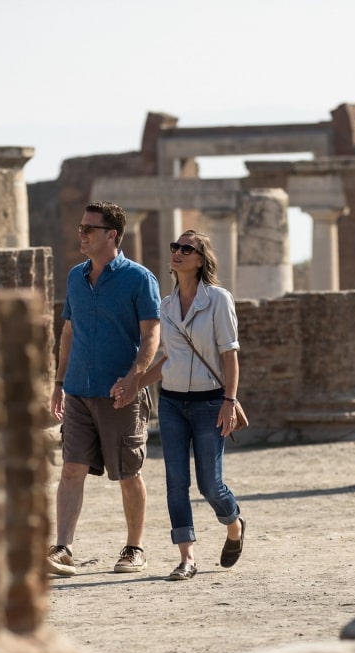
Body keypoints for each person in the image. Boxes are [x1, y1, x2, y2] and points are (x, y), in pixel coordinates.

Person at [116, 230, 245, 581]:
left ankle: (234, 523)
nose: (177, 252)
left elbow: (229, 355)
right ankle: (187, 557)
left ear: (201, 260)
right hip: (172, 402)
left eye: (186, 249)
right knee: (176, 482)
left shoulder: (219, 299)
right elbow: (167, 359)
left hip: (210, 402)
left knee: (210, 485)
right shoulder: (166, 306)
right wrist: (133, 383)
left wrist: (229, 401)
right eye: (175, 247)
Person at [47, 201, 161, 576]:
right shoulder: (75, 278)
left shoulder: (139, 279)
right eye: (81, 228)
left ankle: (135, 547)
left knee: (128, 474)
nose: (81, 235)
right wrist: (59, 383)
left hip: (120, 394)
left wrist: (133, 379)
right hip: (79, 388)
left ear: (112, 235)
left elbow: (151, 336)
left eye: (88, 230)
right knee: (70, 470)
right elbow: (68, 332)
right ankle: (63, 547)